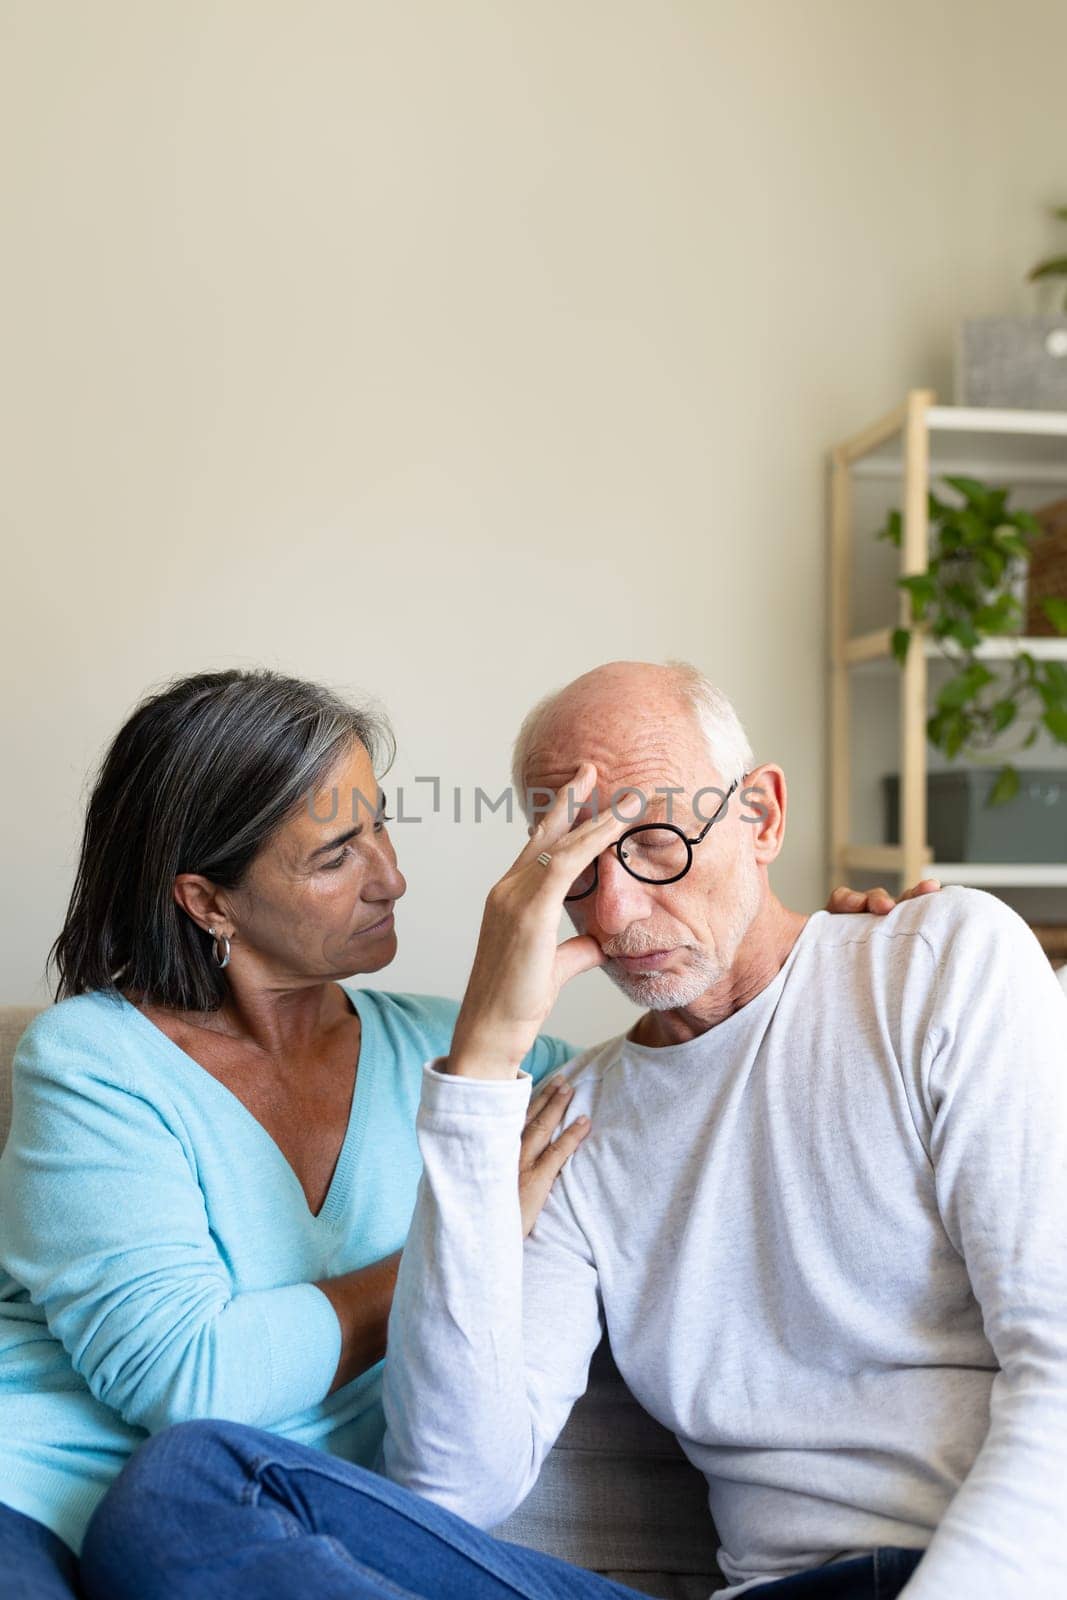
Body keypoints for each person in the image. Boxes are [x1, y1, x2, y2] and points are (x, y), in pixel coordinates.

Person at [1, 664, 925, 1598]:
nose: (390, 878)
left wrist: (830, 968)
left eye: (379, 826)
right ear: (208, 902)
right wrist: (465, 1233)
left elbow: (682, 1080)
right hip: (40, 1504)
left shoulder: (466, 1063)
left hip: (294, 1540)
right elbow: (190, 1376)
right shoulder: (89, 1063)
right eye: (334, 857)